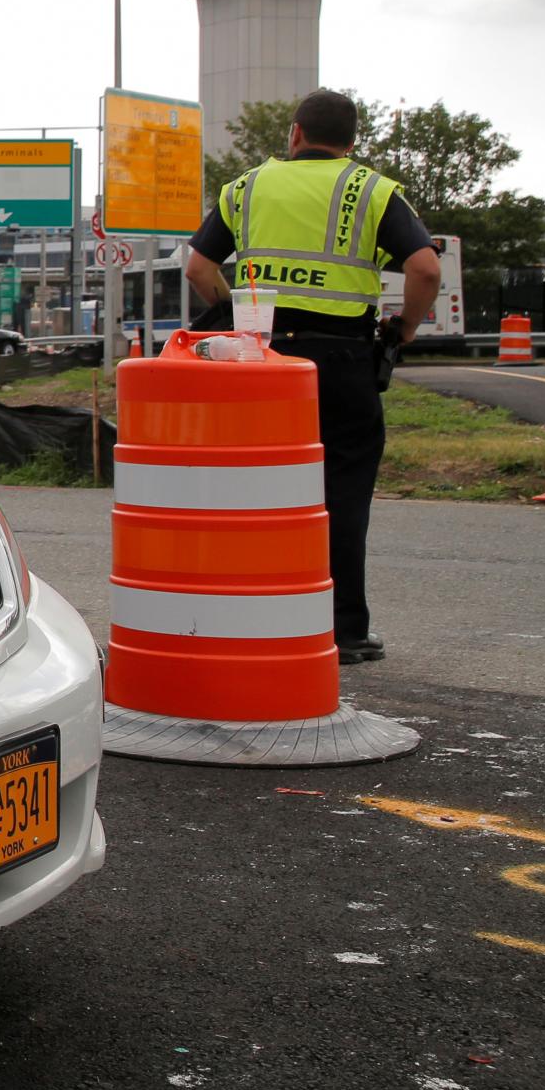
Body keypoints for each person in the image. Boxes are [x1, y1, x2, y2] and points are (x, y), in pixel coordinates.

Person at [182, 90, 441, 665]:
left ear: (294, 134)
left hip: (262, 363)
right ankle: (344, 630)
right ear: (352, 143)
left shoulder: (245, 188)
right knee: (343, 495)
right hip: (343, 361)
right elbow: (425, 267)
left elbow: (199, 266)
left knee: (255, 495)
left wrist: (230, 314)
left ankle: (252, 617)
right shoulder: (369, 189)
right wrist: (404, 331)